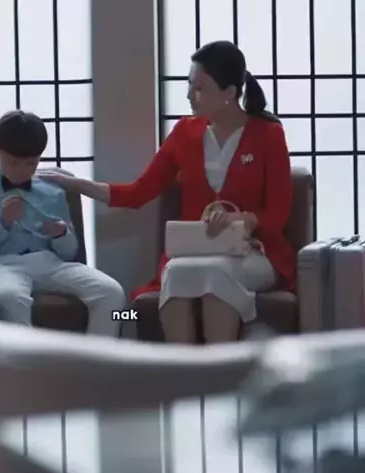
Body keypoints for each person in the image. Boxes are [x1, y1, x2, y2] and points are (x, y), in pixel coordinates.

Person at [42, 40, 294, 344]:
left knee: (217, 274)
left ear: (229, 92)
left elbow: (278, 214)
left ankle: (221, 370)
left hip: (254, 252)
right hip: (193, 250)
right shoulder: (184, 133)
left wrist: (242, 220)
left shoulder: (268, 135)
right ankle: (181, 371)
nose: (189, 95)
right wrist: (78, 185)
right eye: (190, 85)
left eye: (200, 88)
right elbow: (138, 192)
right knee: (175, 272)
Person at [0, 110, 126, 336]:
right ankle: (27, 359)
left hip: (51, 263)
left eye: (31, 163)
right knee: (9, 297)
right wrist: (2, 222)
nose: (23, 171)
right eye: (14, 163)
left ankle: (94, 358)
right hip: (1, 265)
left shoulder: (52, 188)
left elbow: (69, 253)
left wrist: (60, 235)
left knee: (112, 292)